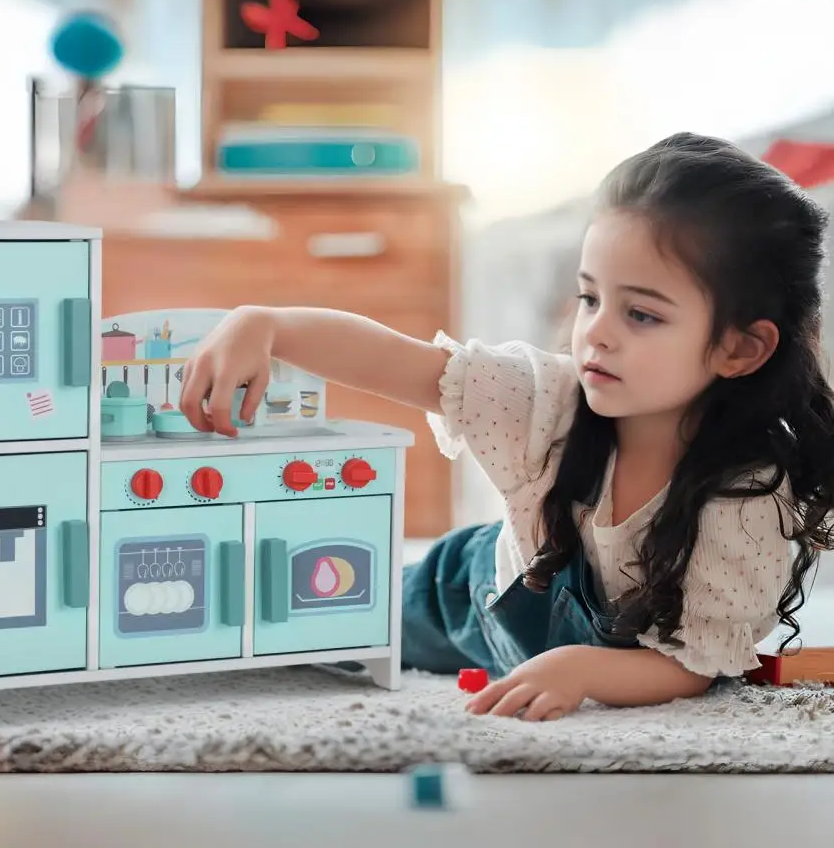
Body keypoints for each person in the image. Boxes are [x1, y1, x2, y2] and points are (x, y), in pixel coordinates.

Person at [178, 132, 834, 722]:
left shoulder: (745, 494)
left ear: (739, 348)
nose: (595, 332)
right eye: (589, 297)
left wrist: (578, 668)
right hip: (466, 594)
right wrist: (264, 322)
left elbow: (691, 667)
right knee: (301, 621)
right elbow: (393, 360)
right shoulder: (544, 397)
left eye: (640, 314)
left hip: (576, 644)